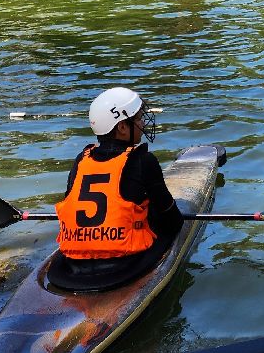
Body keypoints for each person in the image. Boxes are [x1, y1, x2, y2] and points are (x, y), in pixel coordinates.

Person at [51, 87, 185, 289]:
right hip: (124, 266)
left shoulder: (81, 160)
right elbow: (172, 221)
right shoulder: (143, 160)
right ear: (122, 127)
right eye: (138, 118)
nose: (142, 123)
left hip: (73, 267)